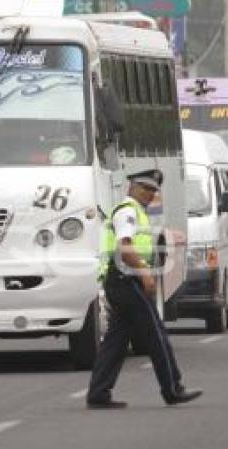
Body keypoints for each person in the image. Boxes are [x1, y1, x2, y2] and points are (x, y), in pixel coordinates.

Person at [87, 169, 203, 409]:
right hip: (126, 280)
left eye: (153, 190)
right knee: (156, 335)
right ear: (132, 187)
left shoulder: (136, 213)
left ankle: (98, 393)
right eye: (146, 188)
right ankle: (173, 389)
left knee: (116, 341)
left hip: (123, 281)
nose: (150, 194)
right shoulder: (127, 212)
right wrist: (145, 274)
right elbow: (125, 248)